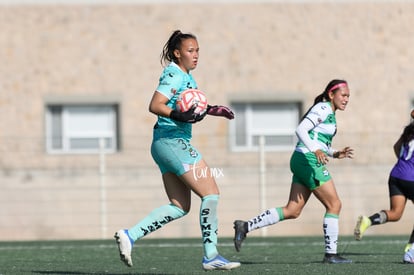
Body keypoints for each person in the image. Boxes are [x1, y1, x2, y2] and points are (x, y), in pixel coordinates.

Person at [114, 30, 240, 271]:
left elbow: (188, 105)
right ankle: (211, 255)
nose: (196, 55)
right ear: (177, 53)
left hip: (164, 143)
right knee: (211, 193)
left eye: (198, 50)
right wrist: (177, 115)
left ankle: (129, 236)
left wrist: (212, 109)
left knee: (179, 206)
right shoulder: (174, 74)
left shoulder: (186, 77)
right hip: (172, 141)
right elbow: (155, 105)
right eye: (190, 51)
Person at [233, 79, 354, 264]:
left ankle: (245, 226)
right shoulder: (323, 108)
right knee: (334, 205)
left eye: (348, 96)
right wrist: (316, 150)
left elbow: (318, 140)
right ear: (331, 94)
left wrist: (335, 153)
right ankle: (331, 255)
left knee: (292, 210)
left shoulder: (329, 112)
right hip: (308, 160)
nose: (346, 99)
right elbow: (301, 129)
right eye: (343, 95)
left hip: (302, 159)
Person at [354, 110, 414, 263]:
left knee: (395, 213)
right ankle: (411, 250)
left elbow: (396, 147)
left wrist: (404, 165)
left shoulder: (409, 131)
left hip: (396, 175)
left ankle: (368, 221)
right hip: (411, 178)